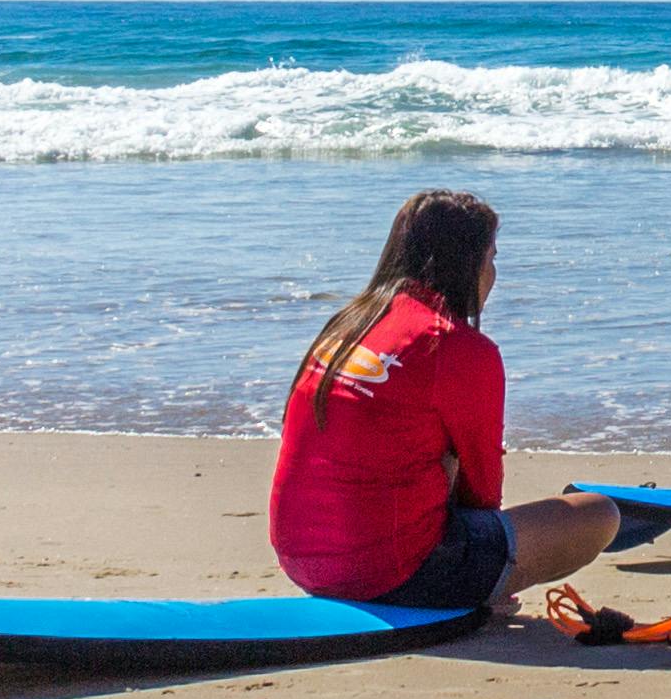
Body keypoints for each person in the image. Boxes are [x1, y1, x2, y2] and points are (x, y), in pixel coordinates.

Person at [268, 187, 629, 621]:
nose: (493, 273)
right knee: (599, 513)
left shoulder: (349, 322)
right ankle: (471, 592)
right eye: (491, 258)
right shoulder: (455, 346)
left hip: (301, 561)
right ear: (468, 263)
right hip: (390, 574)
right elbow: (483, 492)